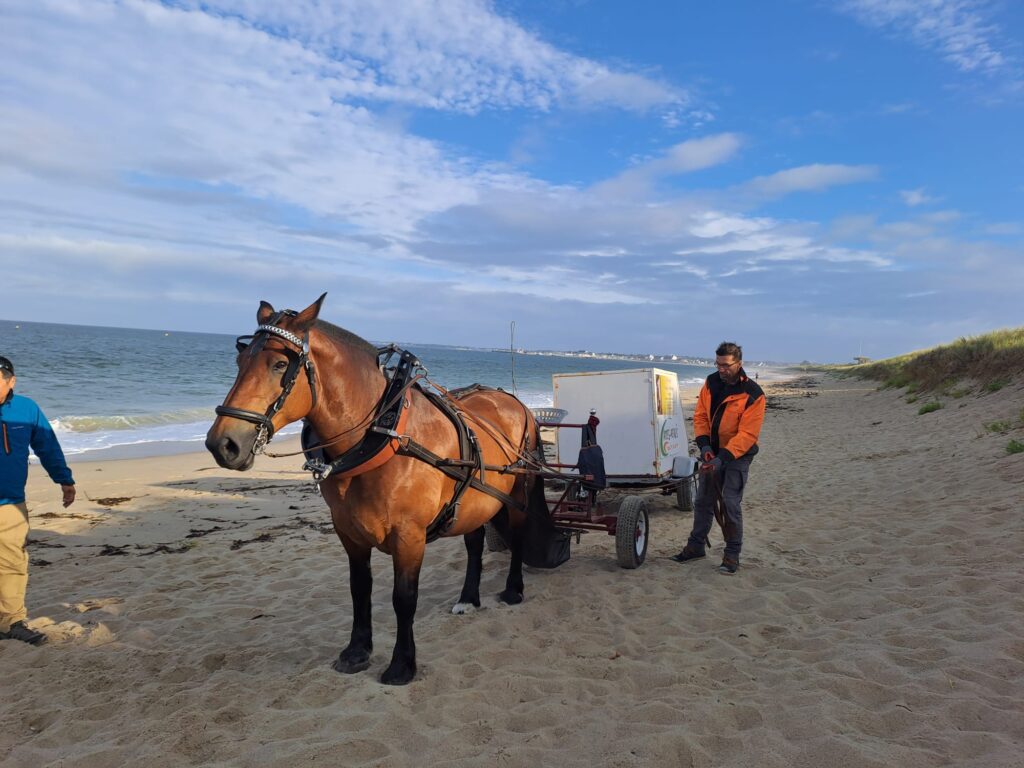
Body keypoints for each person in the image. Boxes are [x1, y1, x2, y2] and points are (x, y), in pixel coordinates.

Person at [0, 355, 76, 645]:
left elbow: (47, 445)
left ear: (11, 381)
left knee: (12, 564)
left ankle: (10, 622)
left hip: (10, 504)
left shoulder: (26, 409)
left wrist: (64, 480)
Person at [672, 342, 764, 574]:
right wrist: (704, 446)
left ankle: (732, 555)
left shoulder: (753, 394)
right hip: (712, 453)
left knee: (730, 503)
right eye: (718, 364)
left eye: (726, 365)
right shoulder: (711, 383)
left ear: (739, 364)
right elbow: (701, 416)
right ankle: (696, 547)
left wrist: (722, 458)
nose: (721, 369)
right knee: (703, 501)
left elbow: (747, 435)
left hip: (737, 456)